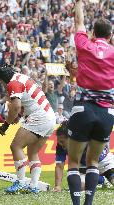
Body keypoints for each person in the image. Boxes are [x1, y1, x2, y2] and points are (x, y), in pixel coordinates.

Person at [67, 1, 114, 205]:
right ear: (110, 36)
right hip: (107, 113)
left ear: (93, 33)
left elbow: (79, 21)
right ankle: (89, 203)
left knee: (74, 163)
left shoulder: (84, 44)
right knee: (94, 161)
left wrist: (78, 3)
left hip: (83, 109)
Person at [0, 63, 56, 194]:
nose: (2, 84)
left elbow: (16, 107)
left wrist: (6, 124)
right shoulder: (20, 77)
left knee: (15, 146)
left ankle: (21, 182)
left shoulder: (12, 83)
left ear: (2, 79)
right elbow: (25, 103)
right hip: (50, 117)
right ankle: (33, 186)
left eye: (0, 82)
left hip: (39, 117)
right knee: (33, 152)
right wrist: (19, 116)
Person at [53, 121, 114, 192]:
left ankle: (106, 177)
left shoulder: (87, 139)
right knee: (80, 186)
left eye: (62, 141)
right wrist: (57, 186)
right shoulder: (60, 146)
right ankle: (102, 180)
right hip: (84, 165)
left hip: (104, 160)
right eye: (59, 141)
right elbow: (59, 166)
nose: (60, 144)